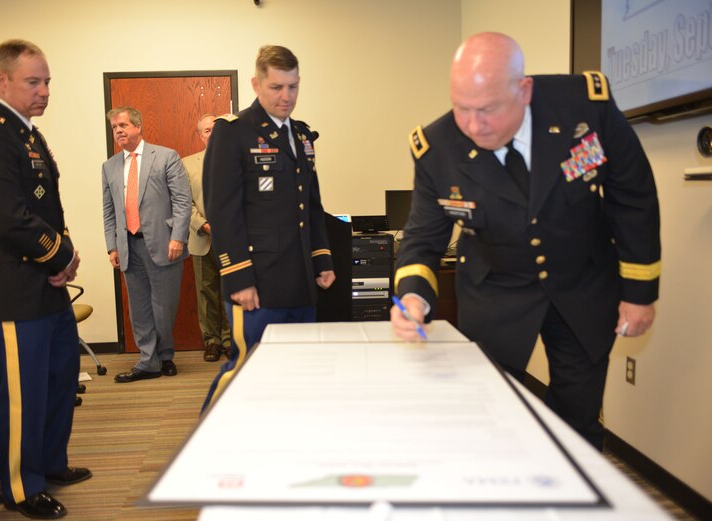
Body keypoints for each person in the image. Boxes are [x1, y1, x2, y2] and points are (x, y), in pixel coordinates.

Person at [391, 32, 660, 450]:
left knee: (579, 418)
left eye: (488, 110)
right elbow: (423, 240)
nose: (474, 125)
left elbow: (633, 196)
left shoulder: (586, 109)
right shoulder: (437, 149)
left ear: (524, 90)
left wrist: (640, 293)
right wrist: (413, 299)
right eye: (462, 109)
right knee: (490, 412)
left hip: (582, 282)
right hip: (495, 289)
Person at [0, 39, 91, 519]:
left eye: (47, 81)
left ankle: (50, 463)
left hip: (44, 289)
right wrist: (61, 257)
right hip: (12, 292)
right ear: (2, 80)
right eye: (33, 82)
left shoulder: (28, 135)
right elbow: (8, 219)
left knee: (58, 381)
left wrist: (65, 255)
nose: (44, 91)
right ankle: (19, 486)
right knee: (23, 395)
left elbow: (46, 210)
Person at [201, 45, 336, 409]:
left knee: (297, 372)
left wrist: (322, 259)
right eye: (276, 87)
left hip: (300, 280)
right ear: (256, 84)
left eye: (292, 87)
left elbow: (313, 202)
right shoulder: (233, 132)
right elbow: (222, 210)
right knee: (246, 368)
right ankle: (206, 443)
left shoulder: (302, 135)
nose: (286, 96)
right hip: (258, 282)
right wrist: (239, 277)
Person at [102, 107, 192, 383]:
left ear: (138, 127)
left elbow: (182, 201)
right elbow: (108, 210)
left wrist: (178, 236)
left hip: (164, 244)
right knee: (139, 309)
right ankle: (147, 361)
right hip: (128, 246)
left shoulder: (166, 156)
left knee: (163, 307)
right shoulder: (110, 166)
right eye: (115, 127)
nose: (118, 130)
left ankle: (165, 355)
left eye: (123, 125)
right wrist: (112, 246)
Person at [182, 114, 232, 362]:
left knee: (231, 291)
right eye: (206, 131)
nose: (211, 134)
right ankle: (211, 342)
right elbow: (183, 203)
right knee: (206, 293)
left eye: (215, 129)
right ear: (200, 135)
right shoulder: (187, 164)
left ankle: (231, 340)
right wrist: (204, 224)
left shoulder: (237, 161)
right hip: (202, 237)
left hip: (232, 239)